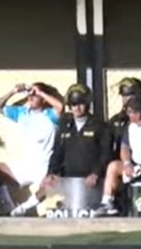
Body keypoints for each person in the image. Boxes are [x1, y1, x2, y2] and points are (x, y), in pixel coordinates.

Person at [0, 82, 63, 216]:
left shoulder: (50, 115)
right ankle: (8, 207)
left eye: (35, 95)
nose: (31, 97)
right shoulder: (22, 113)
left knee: (50, 184)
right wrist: (13, 91)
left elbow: (61, 107)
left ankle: (22, 209)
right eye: (30, 94)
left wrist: (40, 92)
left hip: (45, 167)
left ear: (43, 98)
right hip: (26, 166)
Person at [44, 83, 112, 213]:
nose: (77, 108)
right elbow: (57, 152)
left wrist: (96, 173)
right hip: (68, 181)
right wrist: (51, 173)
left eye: (81, 103)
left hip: (91, 181)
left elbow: (106, 153)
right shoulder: (65, 125)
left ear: (88, 103)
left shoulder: (99, 125)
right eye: (73, 104)